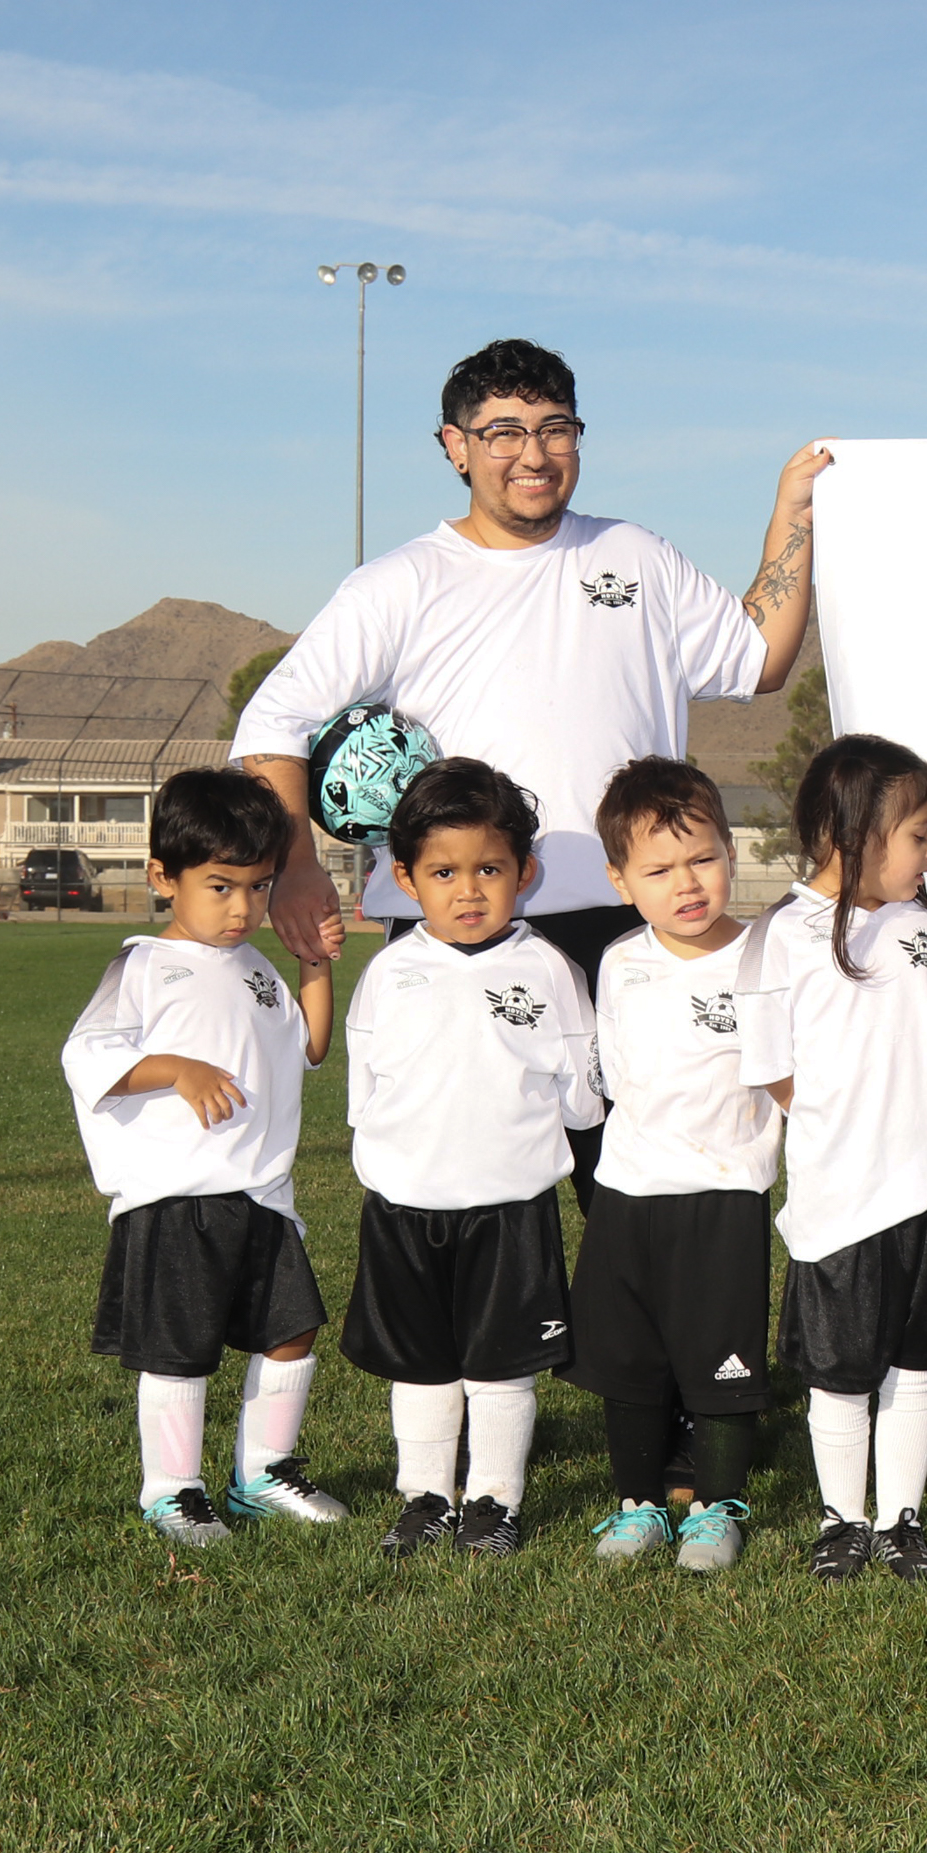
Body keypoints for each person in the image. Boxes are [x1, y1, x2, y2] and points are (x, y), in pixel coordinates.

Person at [229, 337, 830, 1198]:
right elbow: (273, 722)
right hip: (461, 935)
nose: (534, 454)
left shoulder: (635, 556)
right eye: (503, 432)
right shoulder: (399, 584)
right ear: (455, 446)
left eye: (555, 429)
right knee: (472, 1199)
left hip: (636, 928)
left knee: (651, 1191)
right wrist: (294, 868)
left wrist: (793, 508)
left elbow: (760, 657)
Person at [63, 767, 346, 1545]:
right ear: (164, 877)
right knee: (180, 1352)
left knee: (292, 1331)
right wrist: (176, 1069)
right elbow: (87, 1053)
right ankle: (172, 1491)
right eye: (220, 887)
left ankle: (264, 1474)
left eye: (258, 888)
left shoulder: (256, 968)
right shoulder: (143, 966)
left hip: (261, 1193)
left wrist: (314, 963)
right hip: (178, 1193)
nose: (242, 909)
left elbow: (310, 1045)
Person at [340, 760, 602, 1560]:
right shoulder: (389, 973)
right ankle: (425, 1498)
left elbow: (581, 1091)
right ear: (405, 879)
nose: (468, 891)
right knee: (420, 1364)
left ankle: (494, 1502)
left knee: (501, 1365)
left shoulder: (548, 970)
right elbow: (364, 1087)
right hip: (405, 1205)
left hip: (510, 1207)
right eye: (444, 873)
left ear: (525, 872)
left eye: (489, 869)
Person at [738, 736, 927, 1585]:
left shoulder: (921, 926)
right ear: (854, 835)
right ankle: (843, 1520)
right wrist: (847, 1128)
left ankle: (902, 1521)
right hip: (843, 1199)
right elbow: (772, 1069)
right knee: (840, 1373)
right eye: (919, 833)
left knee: (916, 1365)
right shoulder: (781, 936)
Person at [561, 758, 781, 1575]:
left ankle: (717, 1507)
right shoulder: (620, 961)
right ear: (621, 881)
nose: (686, 884)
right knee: (631, 1363)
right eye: (658, 871)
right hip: (628, 1193)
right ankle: (638, 1505)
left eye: (702, 859)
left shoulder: (767, 958)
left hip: (724, 1193)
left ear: (730, 852)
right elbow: (616, 1076)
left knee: (722, 1362)